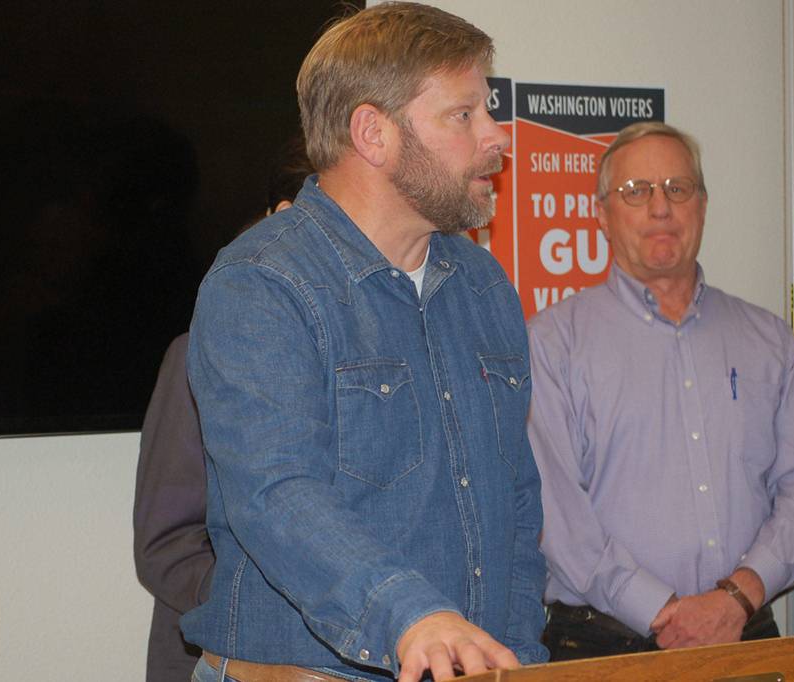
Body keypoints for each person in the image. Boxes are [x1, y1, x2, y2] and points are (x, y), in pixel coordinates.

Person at [182, 4, 547, 681]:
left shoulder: (482, 283)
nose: (498, 137)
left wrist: (518, 657)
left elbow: (516, 505)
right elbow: (276, 493)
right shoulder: (262, 282)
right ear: (373, 133)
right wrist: (410, 617)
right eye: (463, 115)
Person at [528, 121, 794, 660]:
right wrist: (666, 611)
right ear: (602, 214)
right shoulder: (553, 344)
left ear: (702, 205)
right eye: (636, 192)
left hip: (744, 634)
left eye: (678, 189)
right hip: (602, 647)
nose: (660, 207)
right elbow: (557, 520)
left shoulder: (767, 339)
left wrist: (736, 597)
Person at [133, 136, 313, 682]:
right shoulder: (197, 353)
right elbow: (165, 545)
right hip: (217, 661)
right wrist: (283, 614)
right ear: (285, 217)